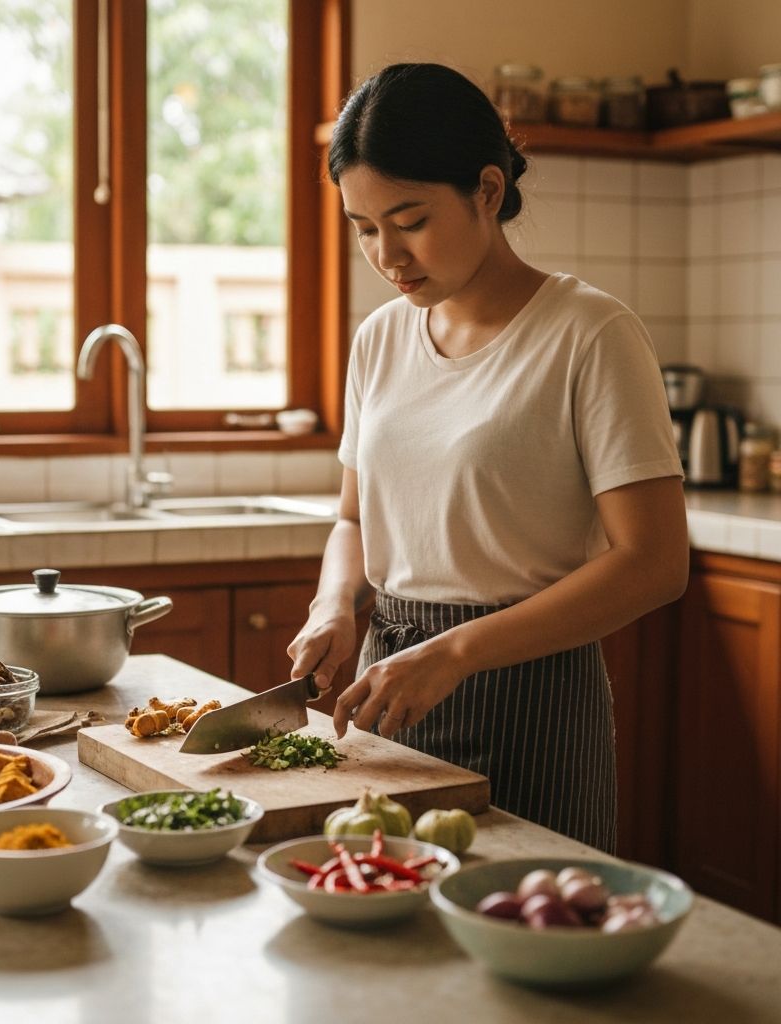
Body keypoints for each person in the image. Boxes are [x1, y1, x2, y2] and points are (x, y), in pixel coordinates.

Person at [286, 63, 688, 852]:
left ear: (489, 191)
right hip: (389, 687)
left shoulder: (590, 334)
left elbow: (655, 562)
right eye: (365, 228)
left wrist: (458, 652)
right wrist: (335, 604)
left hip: (530, 692)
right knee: (389, 934)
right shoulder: (380, 340)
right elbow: (353, 516)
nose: (387, 255)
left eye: (409, 220)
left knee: (533, 930)